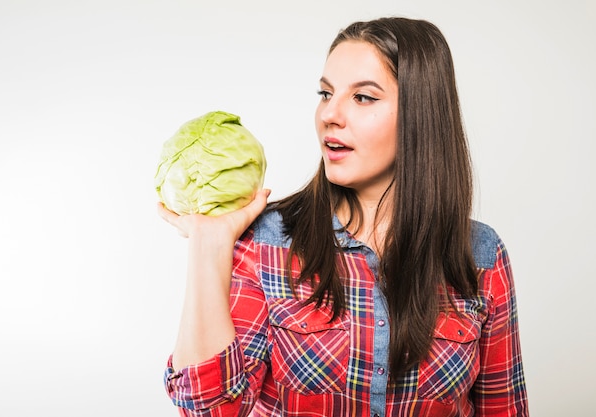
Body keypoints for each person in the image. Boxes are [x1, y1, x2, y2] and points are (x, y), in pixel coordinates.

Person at [158, 16, 529, 417]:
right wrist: (208, 247)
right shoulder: (264, 243)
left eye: (363, 97)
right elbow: (211, 411)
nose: (329, 115)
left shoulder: (482, 256)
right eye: (325, 93)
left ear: (420, 116)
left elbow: (503, 408)